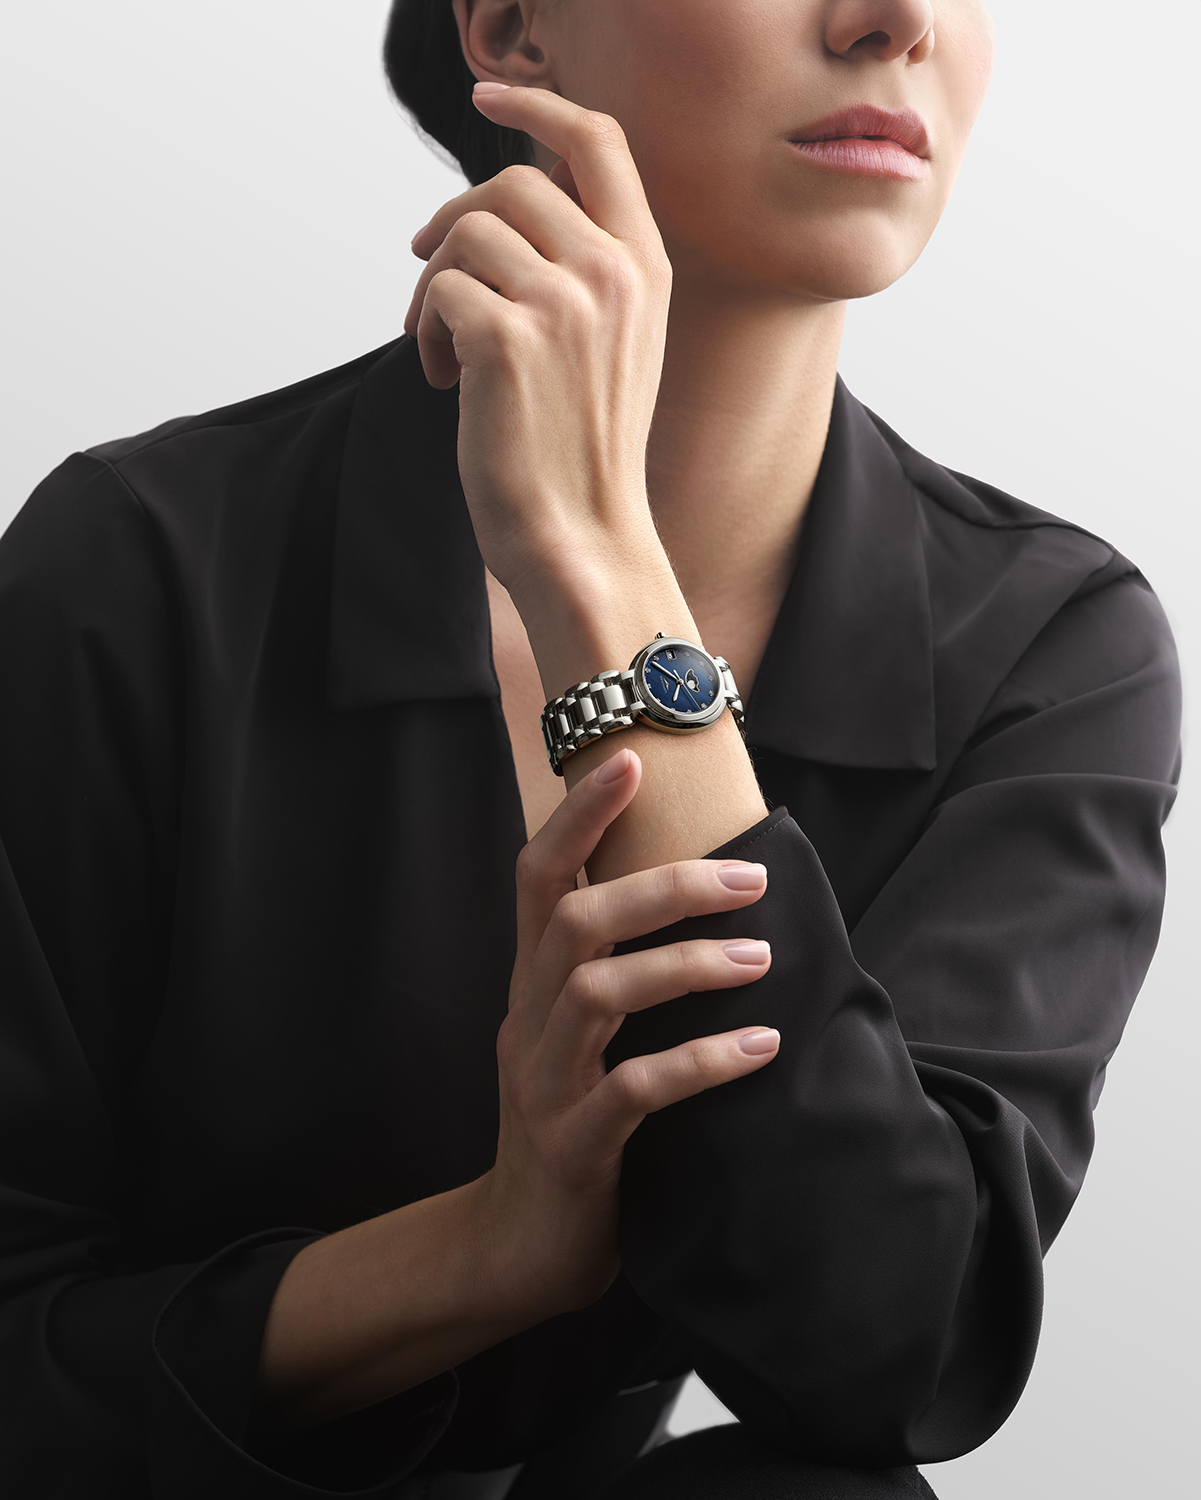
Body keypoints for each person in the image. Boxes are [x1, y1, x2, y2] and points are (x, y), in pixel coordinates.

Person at [0, 1, 1181, 1497]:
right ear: (511, 27)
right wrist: (482, 1256)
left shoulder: (1047, 641)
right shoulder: (139, 569)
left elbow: (891, 1345)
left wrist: (597, 573)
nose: (894, 19)